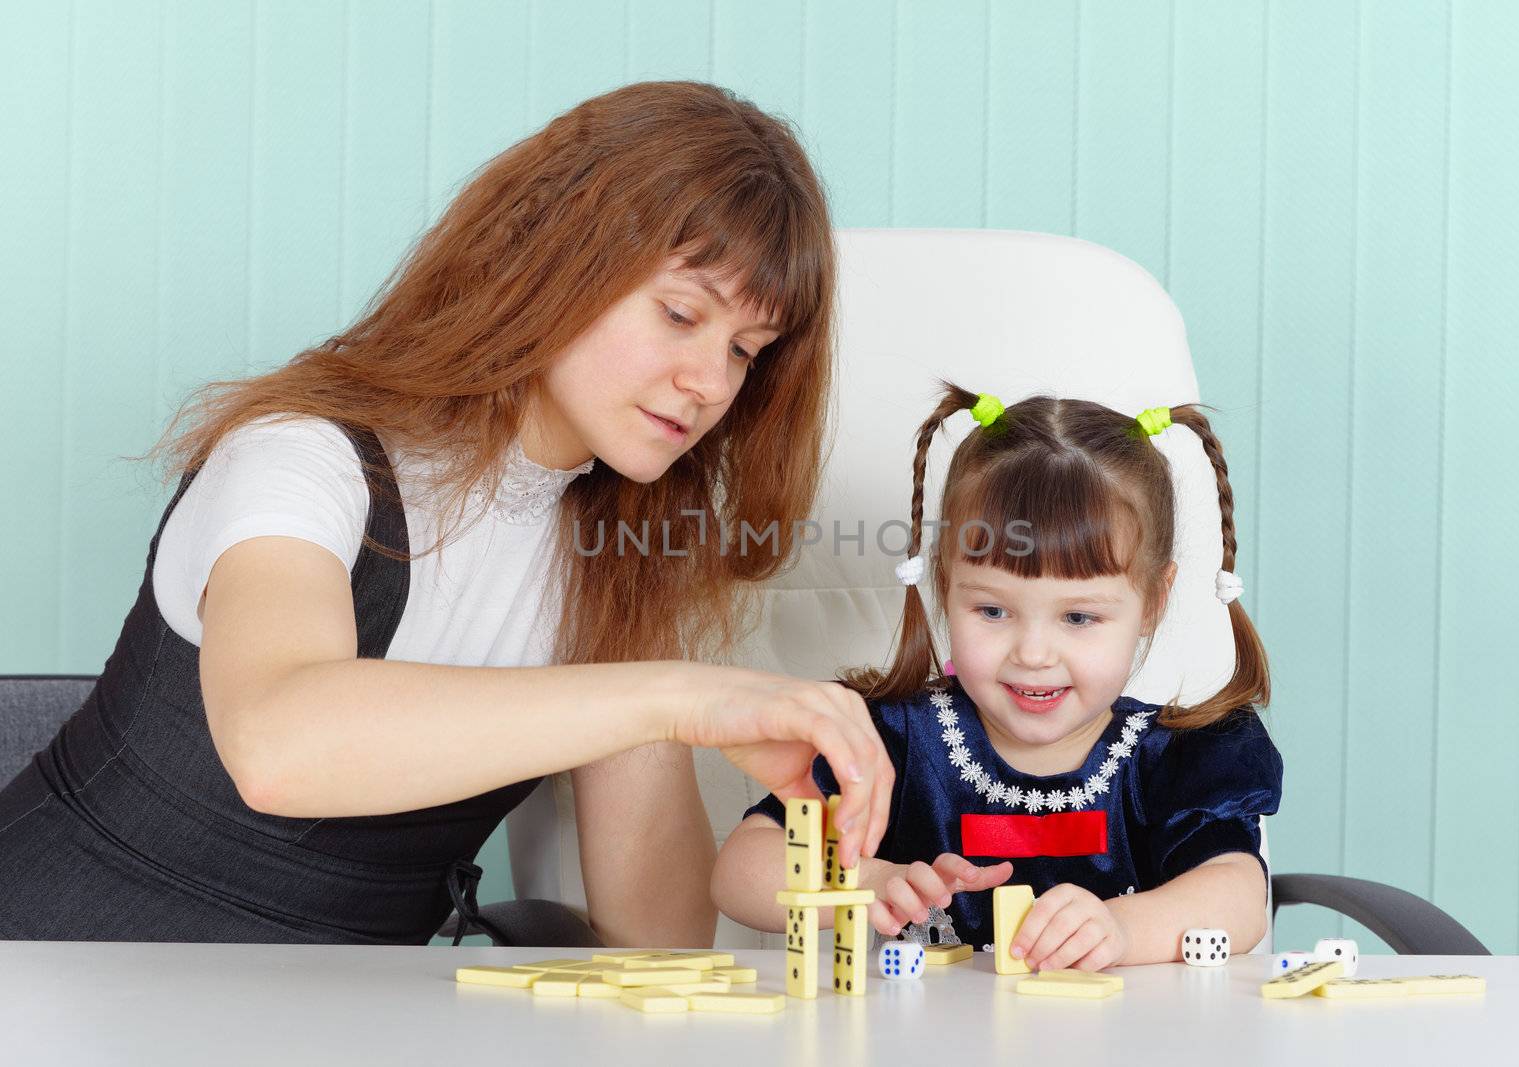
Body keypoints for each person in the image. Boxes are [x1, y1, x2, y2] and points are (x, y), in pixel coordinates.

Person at [0, 81, 894, 945]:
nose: (710, 383)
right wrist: (685, 695)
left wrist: (686, 724)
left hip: (330, 1023)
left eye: (744, 350)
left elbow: (655, 940)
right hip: (54, 964)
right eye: (678, 314)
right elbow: (277, 742)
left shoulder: (620, 556)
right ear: (556, 263)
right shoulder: (302, 455)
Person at [711, 383, 1281, 972]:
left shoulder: (1177, 758)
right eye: (992, 611)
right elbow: (741, 871)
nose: (1033, 654)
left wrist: (1121, 929)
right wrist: (873, 880)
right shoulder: (893, 743)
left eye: (1079, 617)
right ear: (943, 584)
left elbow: (1238, 893)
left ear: (1153, 602)